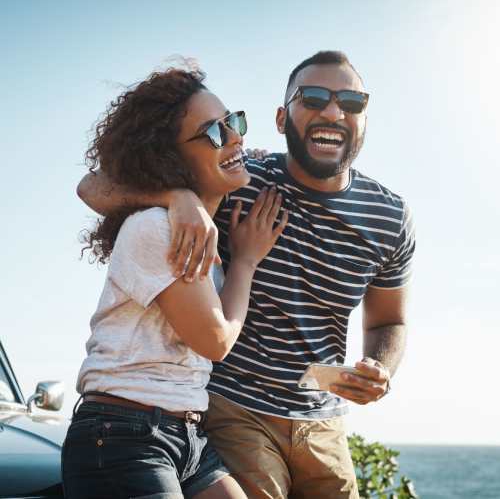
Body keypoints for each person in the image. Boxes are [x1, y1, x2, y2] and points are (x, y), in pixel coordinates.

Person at [77, 51, 415, 499]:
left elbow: (389, 321)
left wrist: (381, 368)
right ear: (282, 118)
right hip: (233, 408)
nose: (332, 111)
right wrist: (178, 196)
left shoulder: (389, 216)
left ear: (365, 118)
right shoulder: (238, 175)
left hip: (323, 420)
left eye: (351, 102)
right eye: (312, 97)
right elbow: (93, 186)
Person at [63, 64, 287, 499]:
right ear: (170, 157)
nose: (235, 136)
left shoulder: (196, 224)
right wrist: (244, 262)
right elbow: (215, 341)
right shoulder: (156, 228)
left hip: (184, 435)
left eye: (234, 121)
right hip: (123, 436)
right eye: (215, 133)